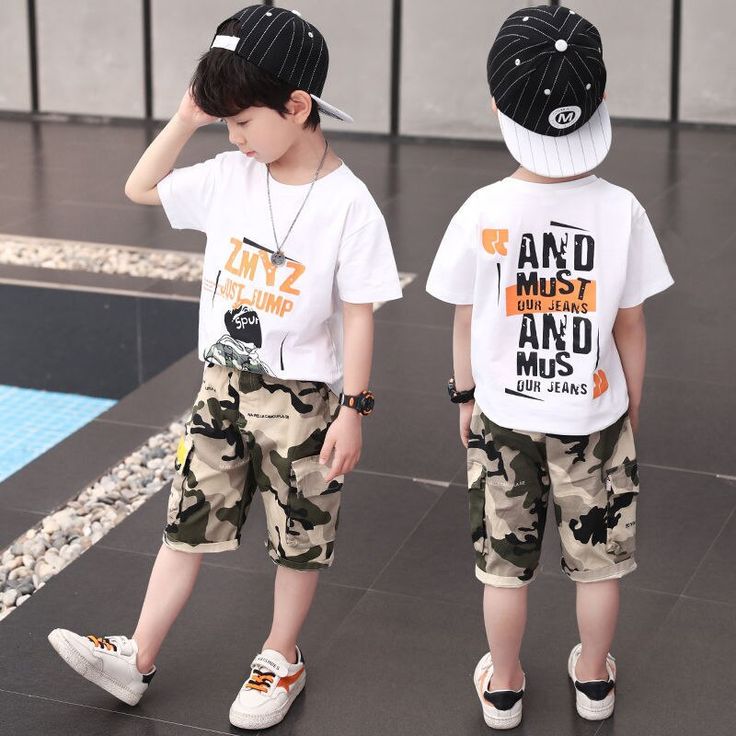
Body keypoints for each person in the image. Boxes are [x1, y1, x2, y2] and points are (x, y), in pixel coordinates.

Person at [48, 6, 401, 730]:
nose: (234, 137)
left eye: (241, 121)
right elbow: (140, 187)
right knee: (186, 520)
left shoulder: (349, 205)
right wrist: (186, 119)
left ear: (296, 107)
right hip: (223, 388)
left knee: (299, 535)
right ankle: (137, 655)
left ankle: (280, 656)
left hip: (304, 399)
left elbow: (361, 313)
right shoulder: (230, 175)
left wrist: (354, 411)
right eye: (225, 123)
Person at [426, 5, 673, 730]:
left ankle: (503, 686)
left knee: (503, 570)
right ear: (600, 100)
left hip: (503, 418)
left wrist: (465, 396)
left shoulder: (482, 209)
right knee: (599, 565)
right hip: (595, 417)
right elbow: (631, 323)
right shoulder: (622, 209)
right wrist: (630, 406)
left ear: (497, 104)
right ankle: (593, 680)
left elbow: (464, 317)